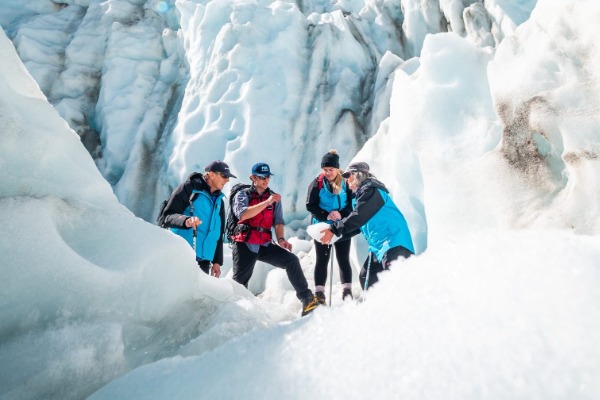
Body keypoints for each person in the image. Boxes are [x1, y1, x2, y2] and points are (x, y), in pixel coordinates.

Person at [231, 162, 319, 316]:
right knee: (239, 284)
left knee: (291, 260)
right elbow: (243, 214)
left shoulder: (274, 198)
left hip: (264, 244)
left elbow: (278, 221)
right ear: (253, 178)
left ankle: (307, 299)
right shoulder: (242, 195)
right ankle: (235, 314)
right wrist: (266, 202)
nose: (265, 180)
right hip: (245, 243)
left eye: (267, 177)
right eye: (261, 177)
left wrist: (281, 239)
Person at [320, 162, 414, 290]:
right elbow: (357, 226)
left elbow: (359, 216)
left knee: (397, 285)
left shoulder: (372, 190)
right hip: (378, 249)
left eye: (348, 175)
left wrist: (334, 229)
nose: (346, 180)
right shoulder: (361, 197)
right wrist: (335, 238)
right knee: (366, 278)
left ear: (358, 175)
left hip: (394, 244)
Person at [160, 160, 237, 277]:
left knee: (196, 295)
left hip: (204, 261)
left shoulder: (219, 201)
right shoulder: (190, 188)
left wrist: (217, 262)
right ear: (211, 174)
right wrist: (186, 221)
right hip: (183, 256)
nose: (227, 180)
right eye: (224, 176)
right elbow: (168, 216)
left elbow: (218, 234)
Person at [306, 150, 355, 303]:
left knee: (343, 258)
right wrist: (325, 215)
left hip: (341, 226)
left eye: (330, 170)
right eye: (325, 170)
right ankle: (320, 294)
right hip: (322, 226)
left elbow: (352, 204)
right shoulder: (317, 183)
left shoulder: (346, 182)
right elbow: (310, 205)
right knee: (322, 259)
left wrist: (341, 214)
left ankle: (347, 291)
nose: (327, 172)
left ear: (337, 169)